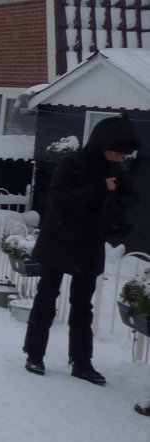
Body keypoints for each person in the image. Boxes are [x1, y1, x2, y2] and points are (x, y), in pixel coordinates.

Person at [22, 115, 139, 384]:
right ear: (103, 144)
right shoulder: (70, 164)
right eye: (119, 152)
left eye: (124, 154)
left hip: (88, 244)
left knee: (83, 306)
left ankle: (82, 362)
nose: (121, 158)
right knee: (46, 298)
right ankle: (35, 353)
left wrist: (119, 210)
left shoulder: (115, 171)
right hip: (59, 240)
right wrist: (99, 188)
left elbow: (126, 201)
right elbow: (59, 202)